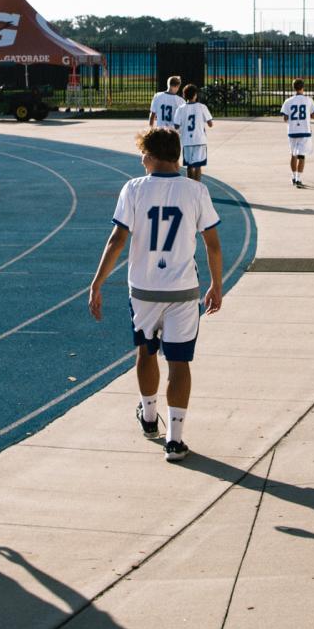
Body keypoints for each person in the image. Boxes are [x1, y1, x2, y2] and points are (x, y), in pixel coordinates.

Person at [87, 127, 223, 463]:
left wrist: (97, 283)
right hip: (182, 289)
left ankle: (149, 417)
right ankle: (175, 439)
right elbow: (213, 243)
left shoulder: (134, 189)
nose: (140, 158)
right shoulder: (196, 191)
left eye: (142, 152)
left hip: (145, 289)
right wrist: (217, 284)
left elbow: (117, 240)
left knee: (146, 352)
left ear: (151, 155)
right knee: (179, 363)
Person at [279, 78, 314, 187]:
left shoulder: (288, 101)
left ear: (293, 88)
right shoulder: (308, 100)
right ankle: (299, 178)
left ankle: (293, 176)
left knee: (293, 154)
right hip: (304, 131)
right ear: (303, 87)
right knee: (302, 155)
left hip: (292, 131)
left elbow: (285, 118)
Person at [176, 81, 214, 181]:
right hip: (200, 140)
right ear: (195, 95)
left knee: (189, 166)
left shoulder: (180, 109)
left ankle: (190, 187)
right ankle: (198, 186)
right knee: (198, 166)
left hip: (187, 140)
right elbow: (210, 124)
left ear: (184, 95)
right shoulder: (202, 107)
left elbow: (176, 125)